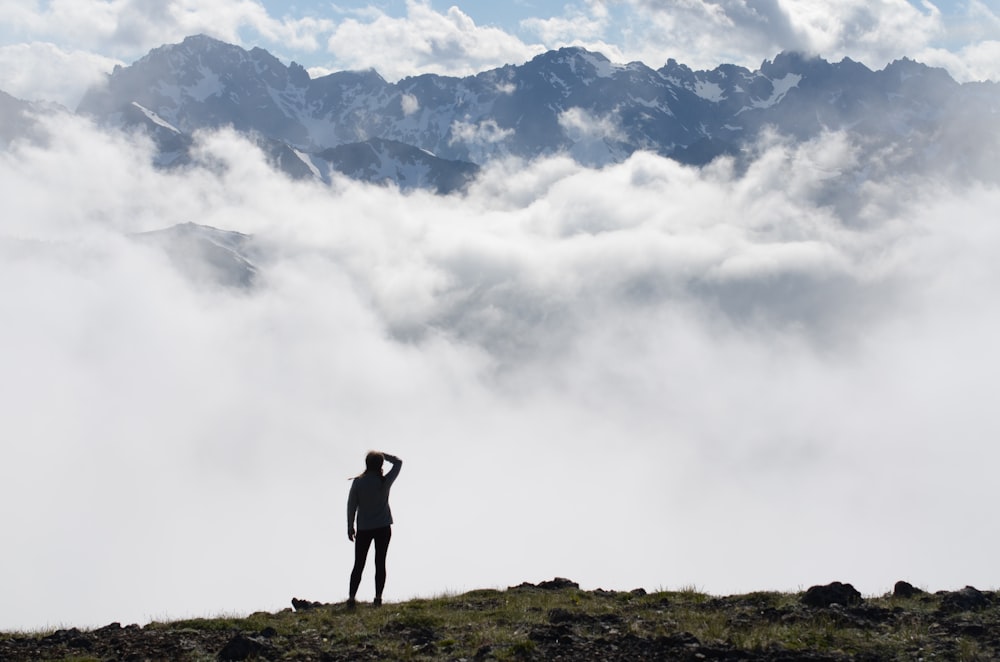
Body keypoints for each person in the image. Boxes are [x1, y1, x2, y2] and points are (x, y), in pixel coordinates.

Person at [346, 451, 402, 608]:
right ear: (381, 464)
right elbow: (398, 462)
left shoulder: (358, 482)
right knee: (380, 562)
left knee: (359, 563)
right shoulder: (384, 481)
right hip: (383, 527)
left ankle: (351, 597)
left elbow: (351, 506)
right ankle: (378, 597)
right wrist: (383, 454)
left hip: (364, 528)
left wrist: (350, 526)